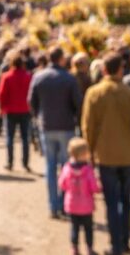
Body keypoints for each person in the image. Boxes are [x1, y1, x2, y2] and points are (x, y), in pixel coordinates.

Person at [81, 53, 130, 255]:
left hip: (105, 155)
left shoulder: (94, 93)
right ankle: (125, 241)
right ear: (121, 69)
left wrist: (90, 150)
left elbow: (88, 126)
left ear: (104, 70)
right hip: (128, 155)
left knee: (111, 201)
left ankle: (115, 244)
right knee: (126, 200)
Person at [29, 46, 83, 217]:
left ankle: (53, 205)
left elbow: (31, 101)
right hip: (65, 126)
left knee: (51, 167)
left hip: (47, 126)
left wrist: (39, 115)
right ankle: (63, 203)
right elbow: (78, 103)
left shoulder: (40, 76)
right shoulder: (68, 78)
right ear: (61, 59)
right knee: (66, 166)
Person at [58, 137, 99, 255]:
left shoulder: (67, 168)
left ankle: (74, 248)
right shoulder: (88, 169)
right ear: (86, 154)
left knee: (74, 228)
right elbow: (94, 187)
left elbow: (62, 184)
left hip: (72, 205)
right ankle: (89, 248)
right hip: (86, 206)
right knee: (88, 228)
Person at [0, 54, 33, 172]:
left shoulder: (7, 76)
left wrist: (2, 108)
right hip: (24, 109)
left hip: (10, 110)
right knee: (25, 138)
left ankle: (10, 161)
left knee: (10, 137)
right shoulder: (28, 76)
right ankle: (25, 162)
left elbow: (2, 94)